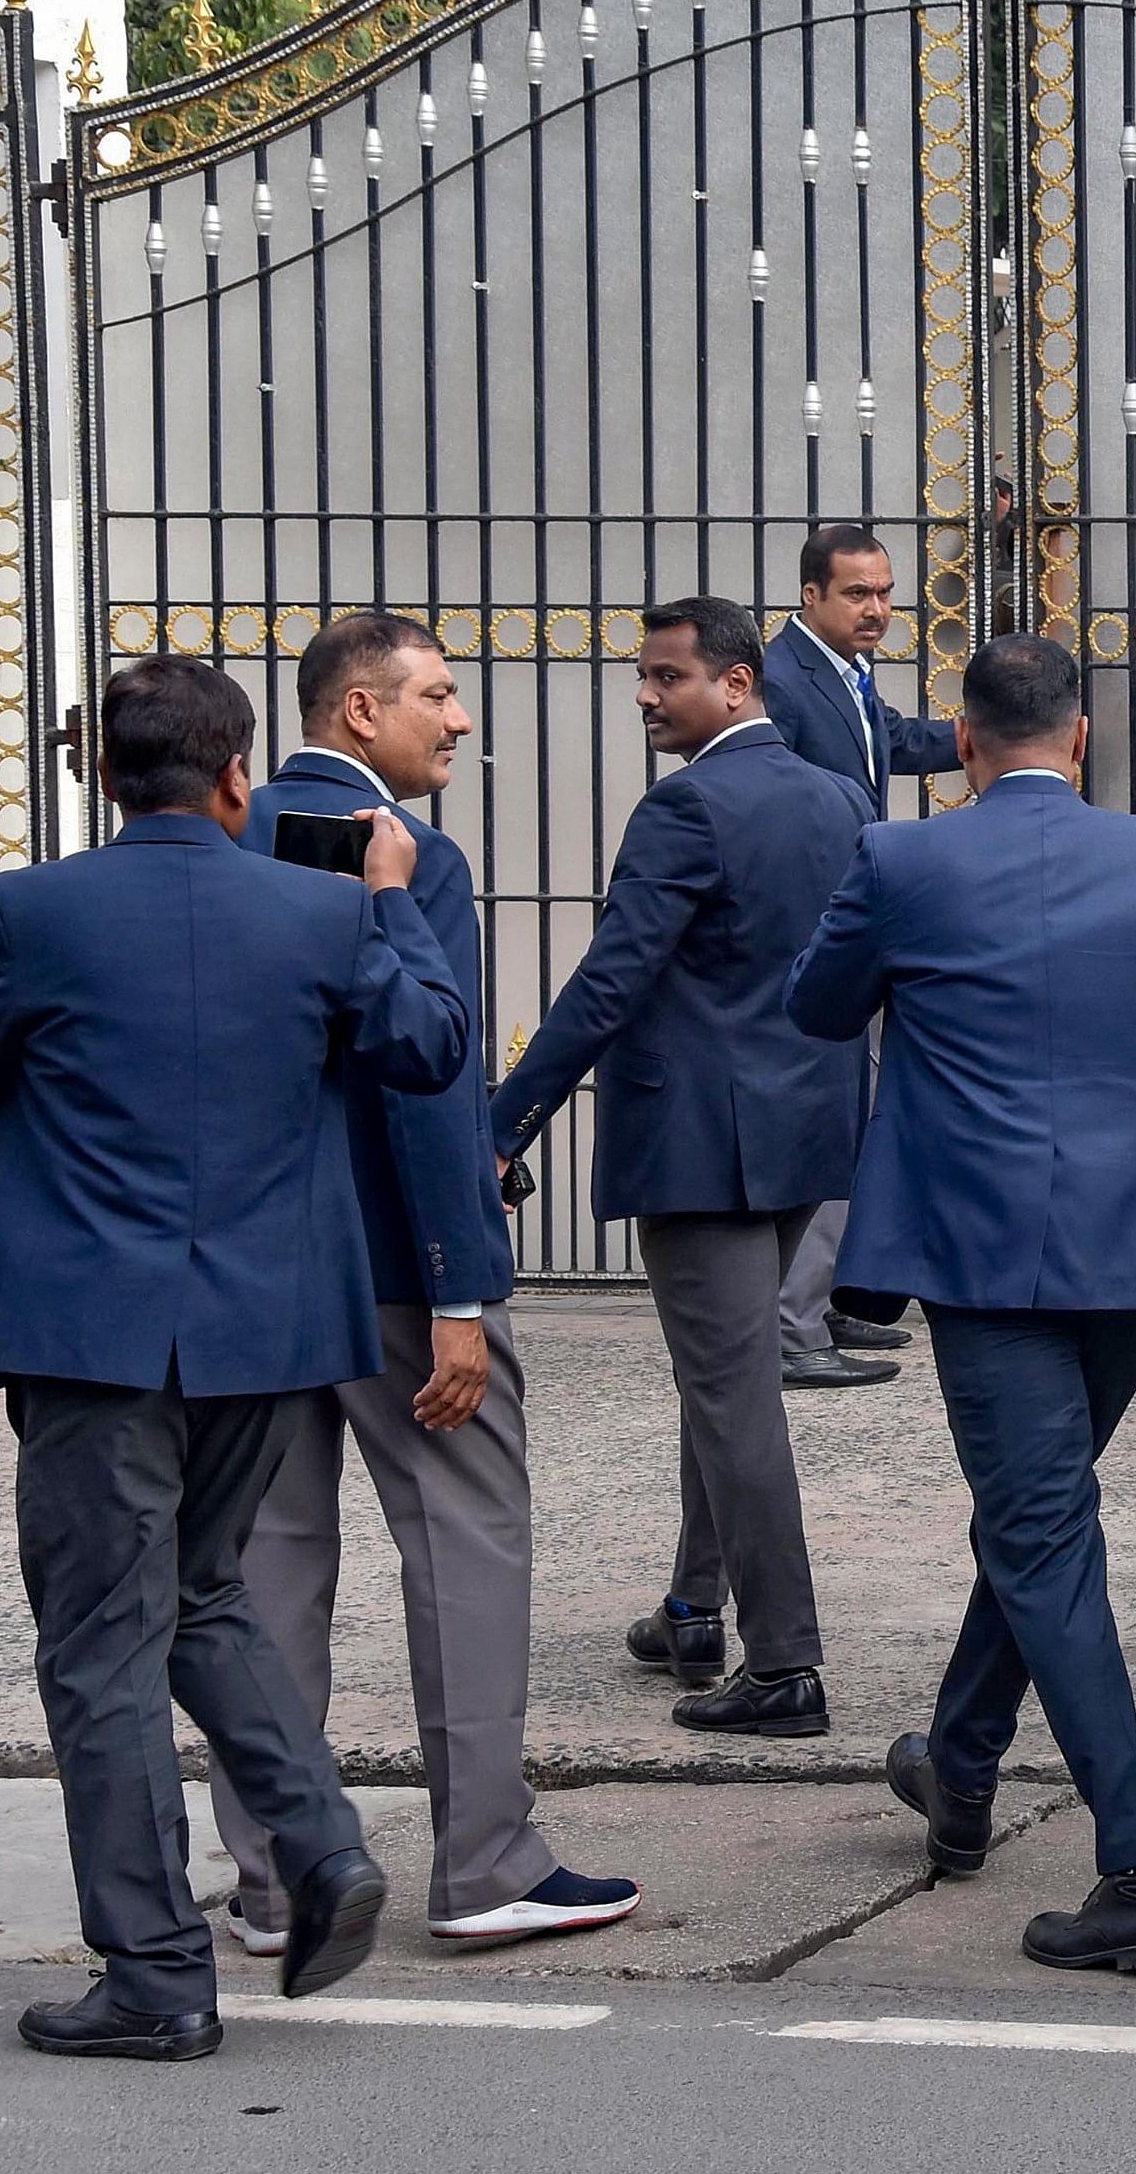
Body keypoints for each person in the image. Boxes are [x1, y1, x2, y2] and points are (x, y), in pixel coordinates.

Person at [0, 656, 461, 2056]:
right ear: (238, 772)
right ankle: (319, 1847)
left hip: (89, 1330)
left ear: (104, 776)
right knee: (199, 1596)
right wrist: (389, 898)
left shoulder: (30, 910)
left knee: (100, 1644)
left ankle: (153, 1973)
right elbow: (429, 1052)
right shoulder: (321, 909)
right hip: (267, 1329)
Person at [789, 633, 1136, 1974]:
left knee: (1040, 1533)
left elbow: (816, 1006)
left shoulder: (904, 860)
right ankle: (960, 1771)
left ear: (962, 741)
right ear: (1079, 738)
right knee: (1039, 1520)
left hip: (983, 1259)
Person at [208, 615, 640, 1957]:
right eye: (437, 696)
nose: (457, 720)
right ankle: (483, 1864)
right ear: (356, 712)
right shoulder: (408, 859)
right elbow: (427, 1088)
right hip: (399, 1265)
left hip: (256, 1276)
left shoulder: (222, 839)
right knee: (465, 1542)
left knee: (267, 1567)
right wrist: (460, 1283)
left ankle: (280, 1882)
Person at [491, 597, 873, 1739]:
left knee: (734, 1392)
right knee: (733, 1374)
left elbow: (612, 979)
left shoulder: (685, 806)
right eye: (645, 677)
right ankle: (694, 1605)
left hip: (702, 1145)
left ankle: (787, 1662)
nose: (648, 695)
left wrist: (506, 1119)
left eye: (668, 676)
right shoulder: (841, 798)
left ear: (739, 684)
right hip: (805, 1134)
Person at [762, 522, 949, 1392]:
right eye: (857, 595)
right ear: (811, 595)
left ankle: (824, 1296)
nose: (877, 610)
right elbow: (781, 806)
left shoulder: (845, 670)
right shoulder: (783, 679)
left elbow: (891, 744)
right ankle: (792, 1328)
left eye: (884, 593)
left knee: (858, 1114)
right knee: (827, 1118)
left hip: (859, 919)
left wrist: (991, 731)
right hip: (818, 929)